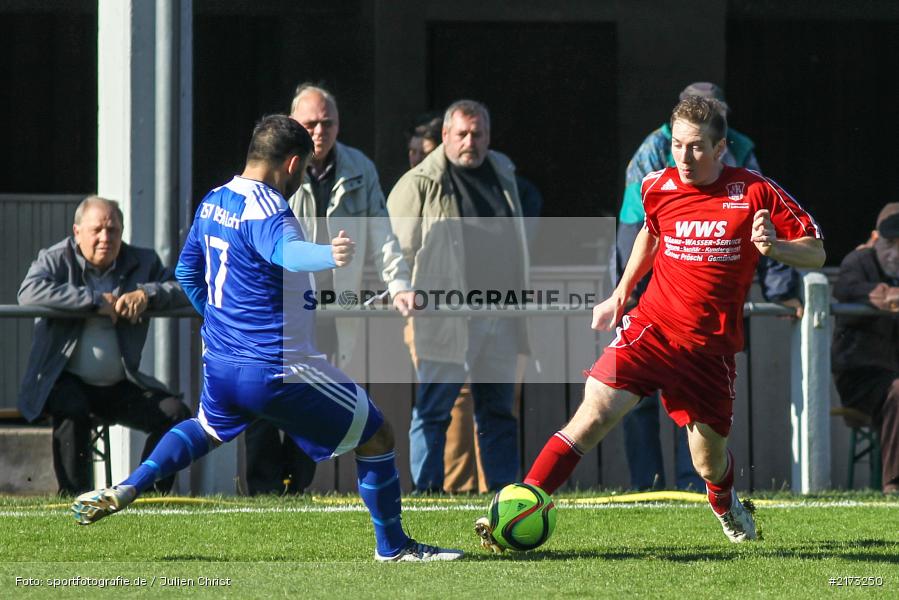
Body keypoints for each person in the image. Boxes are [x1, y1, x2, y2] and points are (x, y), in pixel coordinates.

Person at [70, 115, 462, 562]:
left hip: (222, 363)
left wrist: (221, 322)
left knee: (206, 427)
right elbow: (286, 253)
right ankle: (394, 548)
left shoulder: (215, 200)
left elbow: (185, 273)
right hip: (278, 367)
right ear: (293, 164)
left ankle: (130, 484)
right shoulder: (270, 208)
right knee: (379, 435)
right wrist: (326, 253)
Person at [476, 95, 824, 549]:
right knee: (596, 409)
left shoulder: (754, 190)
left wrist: (776, 248)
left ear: (721, 149)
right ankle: (523, 505)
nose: (684, 156)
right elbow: (651, 233)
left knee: (708, 463)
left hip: (709, 352)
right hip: (652, 330)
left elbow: (816, 251)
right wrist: (620, 295)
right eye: (677, 144)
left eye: (697, 147)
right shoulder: (656, 186)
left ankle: (725, 503)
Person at [616, 82, 801, 491]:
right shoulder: (653, 149)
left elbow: (762, 216)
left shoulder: (739, 147)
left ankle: (691, 485)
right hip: (657, 291)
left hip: (710, 302)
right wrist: (630, 293)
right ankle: (646, 484)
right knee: (635, 398)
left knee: (697, 406)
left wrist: (779, 286)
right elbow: (636, 223)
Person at [240, 84, 415, 496]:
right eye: (310, 123)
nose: (320, 131)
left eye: (327, 122)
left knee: (316, 399)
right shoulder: (272, 167)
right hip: (276, 306)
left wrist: (401, 284)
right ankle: (263, 491)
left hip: (332, 309)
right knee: (265, 398)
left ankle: (295, 486)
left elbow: (382, 233)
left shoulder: (359, 167)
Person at [388, 99, 530, 494]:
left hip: (501, 316)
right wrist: (402, 291)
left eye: (478, 133)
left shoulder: (503, 170)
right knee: (435, 409)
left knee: (499, 412)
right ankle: (426, 490)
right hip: (445, 317)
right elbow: (394, 249)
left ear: (488, 135)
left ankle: (504, 494)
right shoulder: (418, 182)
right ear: (446, 135)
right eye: (462, 133)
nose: (471, 141)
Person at [17, 196, 191, 495]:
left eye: (113, 230)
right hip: (63, 381)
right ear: (77, 231)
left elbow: (184, 290)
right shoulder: (55, 258)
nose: (105, 238)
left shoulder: (143, 261)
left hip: (120, 384)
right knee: (72, 408)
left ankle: (143, 494)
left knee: (177, 415)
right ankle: (77, 498)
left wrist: (147, 295)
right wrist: (94, 302)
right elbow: (29, 292)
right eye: (97, 229)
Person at [832, 203, 899, 494]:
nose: (895, 254)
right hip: (860, 376)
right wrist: (891, 296)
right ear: (874, 239)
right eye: (889, 244)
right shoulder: (856, 263)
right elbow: (848, 290)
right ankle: (894, 485)